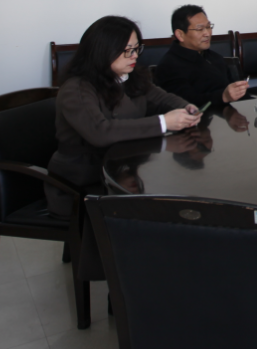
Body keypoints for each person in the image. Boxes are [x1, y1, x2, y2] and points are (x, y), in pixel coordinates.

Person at [47, 16, 200, 219]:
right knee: (156, 212)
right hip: (81, 183)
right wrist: (164, 122)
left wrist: (186, 107)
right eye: (127, 50)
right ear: (103, 50)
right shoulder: (77, 88)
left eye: (136, 48)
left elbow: (162, 98)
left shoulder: (130, 77)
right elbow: (100, 132)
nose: (134, 55)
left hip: (124, 168)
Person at [154, 4, 249, 116]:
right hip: (197, 123)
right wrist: (223, 96)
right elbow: (184, 104)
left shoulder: (215, 57)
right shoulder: (169, 65)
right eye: (199, 29)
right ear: (180, 34)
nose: (207, 33)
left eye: (208, 27)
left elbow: (237, 92)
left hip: (229, 117)